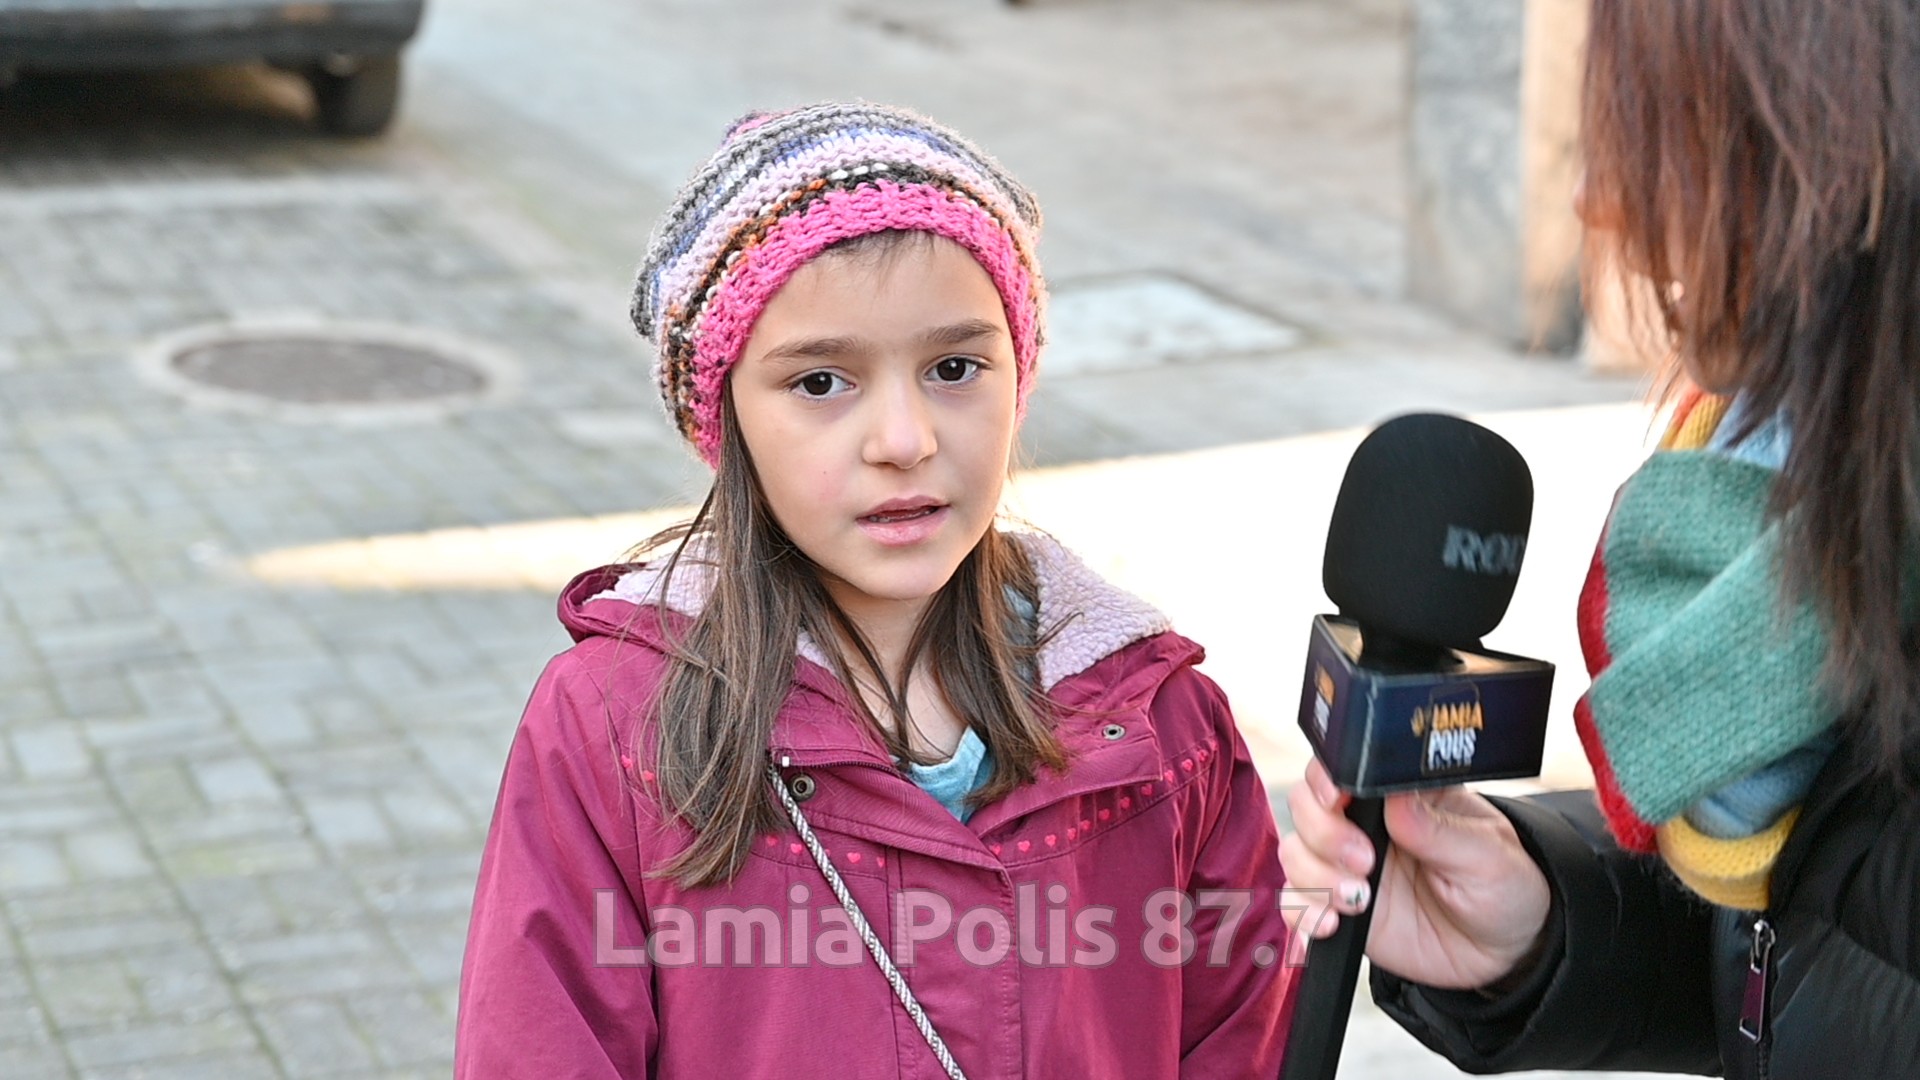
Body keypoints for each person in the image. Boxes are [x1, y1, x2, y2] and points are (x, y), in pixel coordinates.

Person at [454, 103, 1298, 1079]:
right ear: (727, 416)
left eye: (954, 368)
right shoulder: (613, 728)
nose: (904, 439)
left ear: (1018, 374)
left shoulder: (1167, 730)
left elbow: (1245, 1042)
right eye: (821, 383)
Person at [1280, 2, 1920, 1077]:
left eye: (1667, 135)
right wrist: (1542, 924)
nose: (1598, 201)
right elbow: (1850, 948)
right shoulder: (1791, 506)